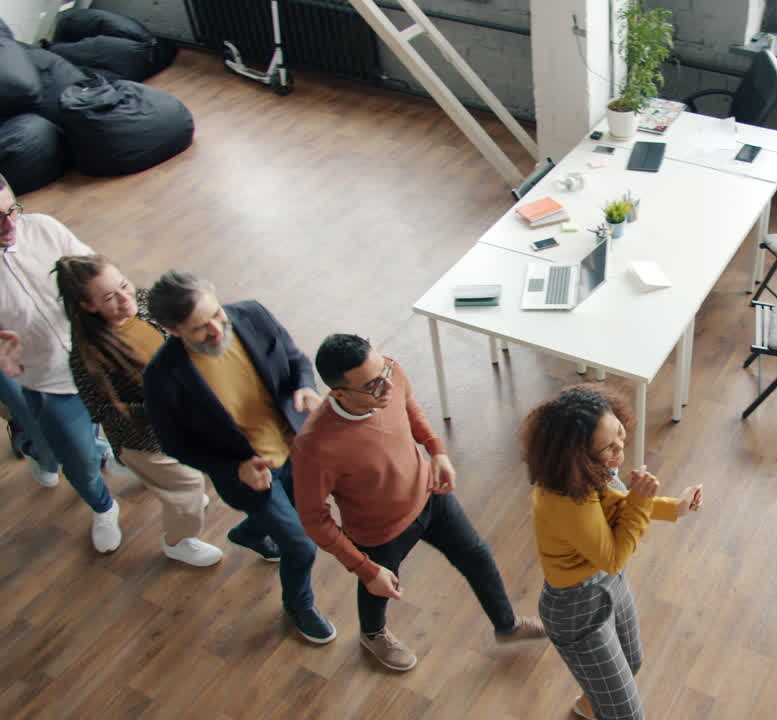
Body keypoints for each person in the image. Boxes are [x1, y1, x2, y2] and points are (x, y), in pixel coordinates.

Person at [292, 333, 546, 671]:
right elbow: (313, 518)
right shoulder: (315, 446)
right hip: (379, 532)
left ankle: (507, 626)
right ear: (338, 394)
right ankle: (372, 634)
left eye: (384, 371)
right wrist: (364, 568)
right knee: (377, 588)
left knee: (478, 557)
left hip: (430, 495)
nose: (387, 386)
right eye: (372, 385)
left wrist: (436, 450)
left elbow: (409, 405)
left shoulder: (389, 373)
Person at [142, 270, 335, 643]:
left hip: (295, 449)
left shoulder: (253, 315)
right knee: (301, 545)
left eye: (216, 314)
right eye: (200, 328)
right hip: (250, 478)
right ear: (173, 330)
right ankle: (299, 606)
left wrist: (305, 387)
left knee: (299, 514)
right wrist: (234, 468)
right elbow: (174, 443)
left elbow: (296, 359)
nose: (216, 329)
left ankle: (250, 532)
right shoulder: (162, 378)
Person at [521, 385, 704, 720]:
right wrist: (641, 500)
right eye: (608, 447)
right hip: (576, 608)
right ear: (577, 454)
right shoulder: (565, 499)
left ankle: (588, 707)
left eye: (619, 432)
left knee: (632, 661)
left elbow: (617, 507)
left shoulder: (587, 470)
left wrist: (675, 507)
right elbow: (613, 556)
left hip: (609, 583)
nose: (621, 448)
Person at [55, 255, 223, 567]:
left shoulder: (144, 301)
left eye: (124, 285)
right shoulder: (87, 356)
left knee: (190, 475)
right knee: (188, 486)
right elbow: (100, 410)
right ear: (88, 306)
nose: (125, 298)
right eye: (110, 297)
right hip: (144, 440)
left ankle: (176, 493)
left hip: (185, 418)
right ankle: (178, 542)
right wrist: (167, 402)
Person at [0, 172, 122, 552]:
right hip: (42, 381)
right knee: (77, 460)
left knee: (106, 425)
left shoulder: (43, 229)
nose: (9, 225)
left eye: (12, 211)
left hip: (92, 360)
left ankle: (96, 445)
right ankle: (103, 506)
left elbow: (91, 271)